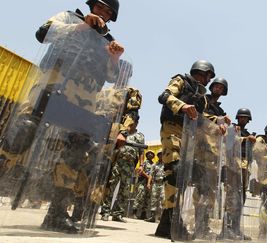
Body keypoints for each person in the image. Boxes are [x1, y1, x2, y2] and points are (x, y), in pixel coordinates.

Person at [0, 0, 124, 234]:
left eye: (109, 11)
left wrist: (114, 58)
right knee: (22, 132)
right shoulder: (70, 17)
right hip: (52, 86)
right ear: (91, 5)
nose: (103, 12)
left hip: (84, 99)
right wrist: (82, 26)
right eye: (100, 6)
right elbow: (43, 33)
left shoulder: (107, 40)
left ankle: (56, 213)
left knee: (77, 150)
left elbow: (110, 76)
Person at [154, 60, 216, 239]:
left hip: (189, 138)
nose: (208, 81)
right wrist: (182, 105)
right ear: (200, 71)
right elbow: (164, 96)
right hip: (172, 129)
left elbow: (202, 118)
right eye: (207, 76)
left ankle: (167, 223)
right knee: (174, 172)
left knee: (188, 177)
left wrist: (218, 123)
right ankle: (173, 221)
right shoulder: (181, 80)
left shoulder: (202, 98)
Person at [100, 120, 145, 222]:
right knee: (111, 187)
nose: (133, 124)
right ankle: (105, 212)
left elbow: (141, 152)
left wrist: (141, 165)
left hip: (130, 165)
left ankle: (118, 214)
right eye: (131, 122)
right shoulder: (121, 132)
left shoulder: (140, 136)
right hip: (117, 162)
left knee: (124, 190)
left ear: (137, 123)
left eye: (135, 122)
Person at [133, 150, 154, 220]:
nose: (150, 155)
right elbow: (141, 171)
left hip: (149, 183)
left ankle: (143, 214)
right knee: (140, 196)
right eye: (149, 153)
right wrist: (148, 177)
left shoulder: (153, 164)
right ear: (147, 155)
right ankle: (134, 212)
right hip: (142, 182)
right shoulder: (144, 162)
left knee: (147, 198)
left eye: (152, 154)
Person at [146, 149, 165, 222]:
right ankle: (152, 216)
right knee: (153, 199)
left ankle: (161, 217)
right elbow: (151, 175)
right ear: (158, 156)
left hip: (163, 183)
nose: (161, 156)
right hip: (156, 183)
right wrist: (148, 183)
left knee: (162, 199)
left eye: (162, 154)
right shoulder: (154, 165)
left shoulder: (166, 164)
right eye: (160, 154)